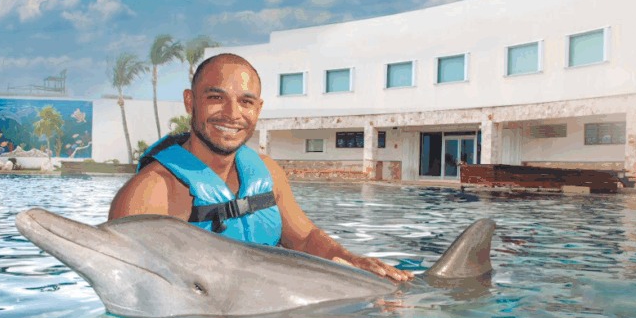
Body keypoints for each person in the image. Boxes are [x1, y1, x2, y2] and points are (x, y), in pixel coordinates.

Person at [109, 53, 413, 283]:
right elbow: (130, 287)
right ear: (190, 102)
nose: (232, 114)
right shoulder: (151, 192)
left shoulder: (266, 172)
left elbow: (305, 239)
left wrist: (349, 260)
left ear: (258, 109)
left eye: (245, 102)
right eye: (216, 98)